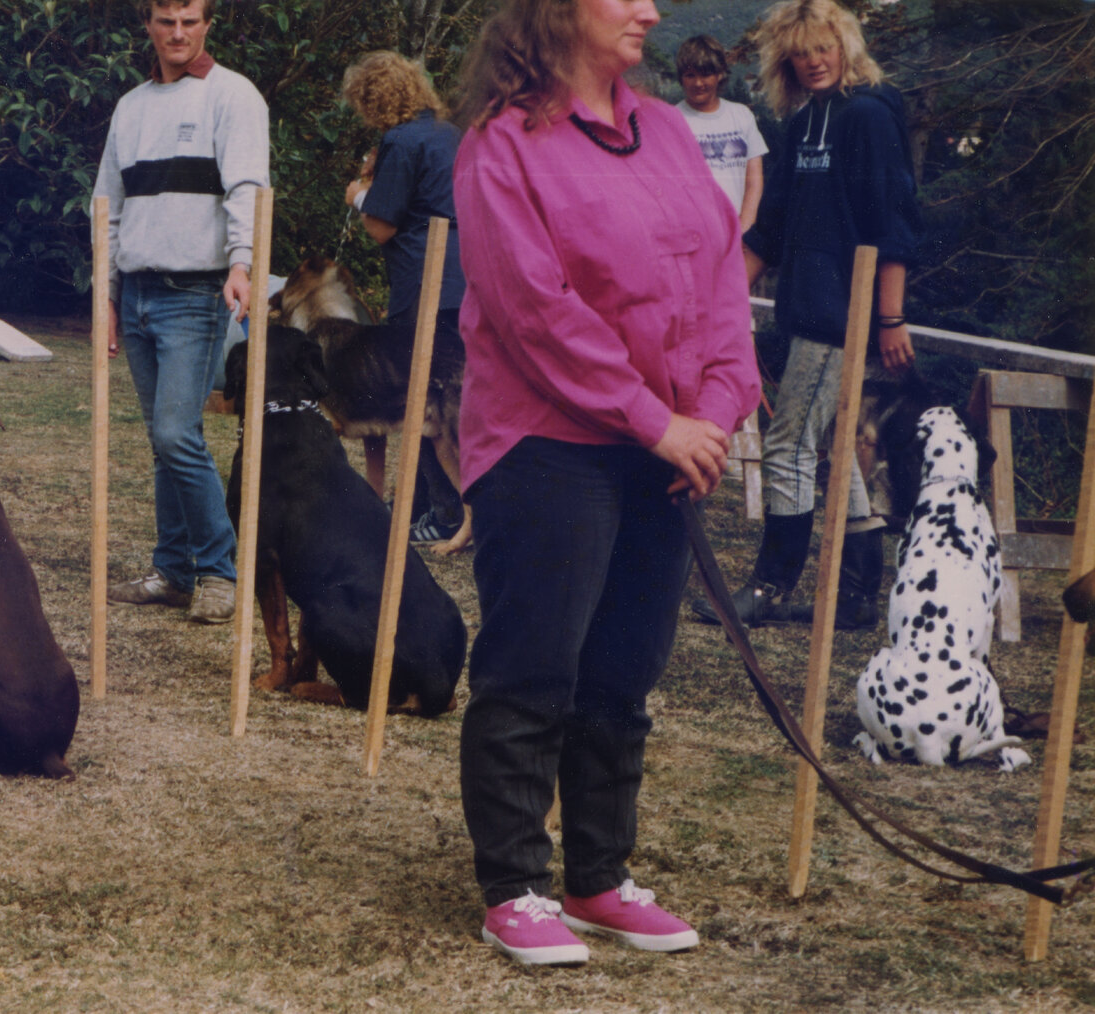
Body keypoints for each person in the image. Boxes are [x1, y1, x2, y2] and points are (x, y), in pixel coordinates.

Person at [451, 0, 759, 966]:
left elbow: (718, 286)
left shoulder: (666, 130)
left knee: (623, 672)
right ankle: (515, 884)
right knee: (535, 667)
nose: (651, 9)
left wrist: (710, 412)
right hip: (548, 442)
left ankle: (595, 877)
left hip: (664, 446)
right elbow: (535, 311)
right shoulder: (502, 148)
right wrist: (653, 418)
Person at [692, 0, 920, 630]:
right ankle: (856, 597)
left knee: (788, 441)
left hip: (844, 313)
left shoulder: (870, 115)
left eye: (824, 47)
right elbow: (770, 227)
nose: (814, 61)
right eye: (801, 51)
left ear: (845, 46)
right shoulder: (801, 122)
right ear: (785, 58)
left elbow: (892, 220)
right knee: (831, 446)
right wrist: (722, 299)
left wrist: (892, 317)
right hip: (806, 306)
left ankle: (770, 586)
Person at [94, 0, 268, 625]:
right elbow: (106, 206)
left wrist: (243, 264)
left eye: (190, 20)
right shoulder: (131, 107)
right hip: (136, 294)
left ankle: (221, 572)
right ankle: (172, 571)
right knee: (164, 442)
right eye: (166, 21)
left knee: (176, 433)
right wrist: (107, 296)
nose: (177, 33)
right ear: (149, 26)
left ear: (206, 25)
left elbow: (247, 188)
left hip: (195, 293)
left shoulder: (233, 96)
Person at [339, 50, 468, 547]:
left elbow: (380, 225)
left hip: (426, 281)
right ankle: (423, 507)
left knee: (425, 401)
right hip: (468, 279)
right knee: (458, 400)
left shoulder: (399, 139)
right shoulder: (449, 132)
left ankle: (444, 512)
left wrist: (357, 192)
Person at [673, 34, 767, 231]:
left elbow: (754, 180)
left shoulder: (741, 115)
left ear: (720, 74)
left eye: (706, 74)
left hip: (739, 230)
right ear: (681, 77)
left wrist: (744, 229)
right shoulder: (671, 119)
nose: (698, 83)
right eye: (690, 75)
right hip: (694, 233)